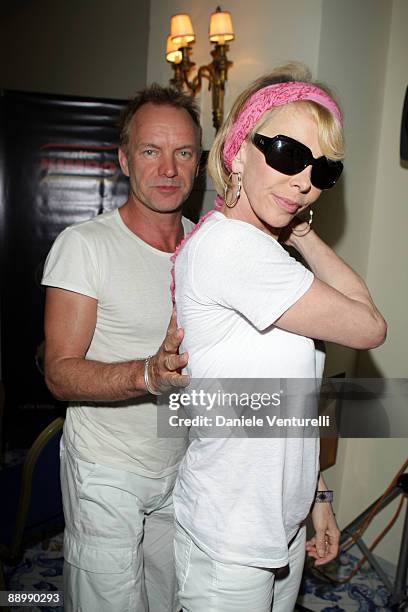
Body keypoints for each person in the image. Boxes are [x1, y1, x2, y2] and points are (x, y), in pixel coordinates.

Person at [172, 63, 387, 611]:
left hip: (277, 522)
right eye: (290, 154)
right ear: (239, 149)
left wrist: (316, 497)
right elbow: (370, 327)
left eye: (323, 170)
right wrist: (306, 238)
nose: (304, 180)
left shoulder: (269, 250)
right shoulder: (233, 249)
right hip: (232, 534)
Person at [42, 85, 202, 612]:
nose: (168, 169)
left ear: (198, 163)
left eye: (183, 152)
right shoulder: (84, 246)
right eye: (151, 151)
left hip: (181, 466)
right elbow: (60, 373)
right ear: (124, 160)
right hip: (105, 469)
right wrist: (147, 375)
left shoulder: (209, 247)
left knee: (171, 600)